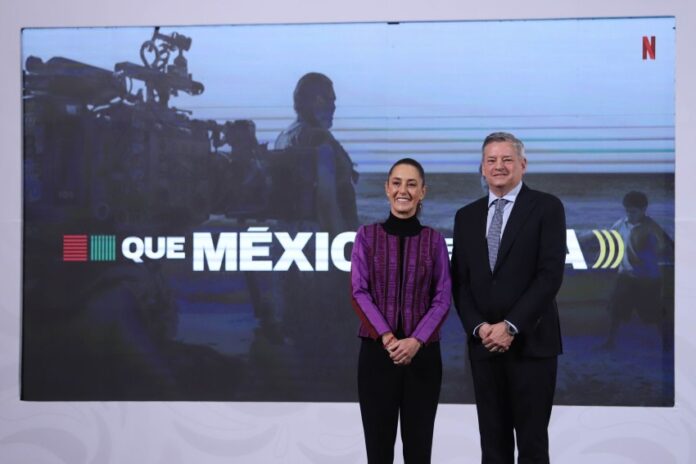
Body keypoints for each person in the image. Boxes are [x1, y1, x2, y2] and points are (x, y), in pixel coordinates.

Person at [451, 132, 566, 463]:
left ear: (523, 165)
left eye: (507, 159)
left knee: (531, 446)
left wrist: (511, 326)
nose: (498, 166)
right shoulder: (466, 216)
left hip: (532, 346)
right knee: (493, 447)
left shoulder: (547, 207)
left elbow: (549, 276)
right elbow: (460, 281)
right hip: (484, 347)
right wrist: (480, 328)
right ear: (482, 169)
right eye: (491, 160)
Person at [350, 158, 451, 463]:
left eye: (411, 184)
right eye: (397, 183)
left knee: (419, 453)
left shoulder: (434, 241)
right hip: (376, 357)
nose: (403, 190)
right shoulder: (366, 236)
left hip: (423, 359)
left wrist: (415, 341)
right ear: (387, 189)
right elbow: (359, 291)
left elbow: (442, 297)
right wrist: (388, 338)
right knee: (378, 453)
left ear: (423, 192)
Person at [275, 71, 359, 235]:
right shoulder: (319, 138)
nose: (332, 106)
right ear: (307, 101)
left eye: (333, 100)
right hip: (322, 234)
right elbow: (326, 199)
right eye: (325, 99)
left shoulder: (284, 136)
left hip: (293, 231)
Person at [602, 190, 674, 349]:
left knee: (652, 314)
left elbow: (669, 246)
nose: (629, 214)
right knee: (615, 309)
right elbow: (609, 241)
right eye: (627, 210)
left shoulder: (652, 226)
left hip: (647, 278)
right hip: (625, 275)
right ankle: (610, 342)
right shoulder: (620, 224)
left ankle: (667, 343)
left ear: (643, 210)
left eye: (633, 211)